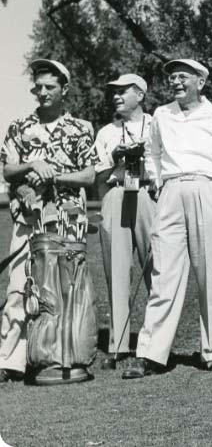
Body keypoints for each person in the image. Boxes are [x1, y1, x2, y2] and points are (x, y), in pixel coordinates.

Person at [122, 58, 212, 377]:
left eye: (182, 77)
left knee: (209, 276)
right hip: (172, 191)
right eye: (172, 77)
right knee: (164, 273)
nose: (176, 82)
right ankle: (151, 354)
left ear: (200, 82)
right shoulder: (161, 114)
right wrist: (160, 185)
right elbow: (153, 154)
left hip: (208, 190)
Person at [0, 59, 96, 383]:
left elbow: (90, 174)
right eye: (38, 87)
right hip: (28, 219)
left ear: (64, 89)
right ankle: (9, 360)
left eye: (49, 87)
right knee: (18, 288)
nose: (42, 92)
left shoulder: (81, 128)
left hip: (67, 225)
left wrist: (55, 175)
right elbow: (7, 169)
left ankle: (60, 356)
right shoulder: (19, 127)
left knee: (63, 291)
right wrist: (32, 164)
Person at [95, 74, 156, 368]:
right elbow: (96, 174)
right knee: (116, 272)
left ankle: (155, 342)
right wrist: (114, 156)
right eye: (114, 92)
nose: (116, 96)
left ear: (140, 95)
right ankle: (118, 345)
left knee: (157, 270)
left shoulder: (157, 125)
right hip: (117, 193)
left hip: (147, 194)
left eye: (123, 91)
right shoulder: (106, 131)